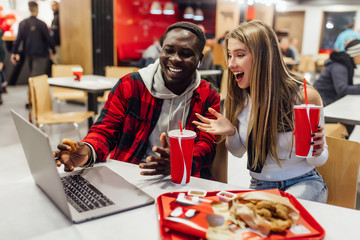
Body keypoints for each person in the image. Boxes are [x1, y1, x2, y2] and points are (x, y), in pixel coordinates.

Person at [55, 22, 221, 179]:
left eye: (186, 54)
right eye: (169, 50)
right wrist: (88, 151)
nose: (175, 58)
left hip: (184, 178)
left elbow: (206, 146)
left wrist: (180, 161)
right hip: (131, 174)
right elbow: (105, 130)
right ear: (161, 51)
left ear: (200, 59)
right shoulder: (131, 85)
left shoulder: (208, 95)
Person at [193, 20, 328, 203]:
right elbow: (238, 152)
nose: (231, 64)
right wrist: (231, 132)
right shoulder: (239, 96)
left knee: (279, 216)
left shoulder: (303, 97)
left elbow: (318, 161)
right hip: (261, 185)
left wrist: (317, 150)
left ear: (264, 56)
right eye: (229, 55)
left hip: (304, 182)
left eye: (240, 55)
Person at [314, 38, 360, 136]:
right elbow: (342, 89)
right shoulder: (340, 66)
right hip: (323, 104)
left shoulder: (345, 64)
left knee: (349, 121)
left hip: (329, 101)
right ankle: (339, 145)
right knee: (349, 122)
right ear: (356, 54)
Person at [10, 1, 55, 77]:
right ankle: (34, 88)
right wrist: (53, 51)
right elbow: (49, 39)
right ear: (37, 9)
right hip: (41, 53)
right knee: (36, 76)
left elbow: (18, 39)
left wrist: (14, 52)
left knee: (34, 74)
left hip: (29, 52)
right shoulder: (42, 24)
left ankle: (33, 88)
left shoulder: (23, 23)